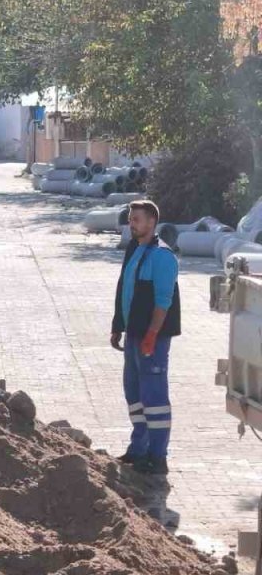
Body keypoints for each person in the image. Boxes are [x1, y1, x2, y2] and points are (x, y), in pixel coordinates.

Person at [110, 200, 180, 475]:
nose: (131, 223)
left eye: (136, 219)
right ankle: (138, 449)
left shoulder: (162, 256)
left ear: (151, 222)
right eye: (130, 218)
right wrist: (119, 325)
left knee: (154, 396)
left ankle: (158, 456)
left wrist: (152, 334)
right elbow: (124, 288)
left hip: (152, 338)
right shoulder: (135, 249)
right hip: (134, 334)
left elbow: (164, 301)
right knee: (134, 393)